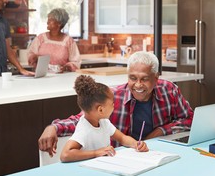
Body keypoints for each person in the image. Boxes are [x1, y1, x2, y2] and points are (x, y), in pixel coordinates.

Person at [39, 51, 194, 157]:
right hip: (121, 160)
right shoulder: (113, 97)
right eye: (133, 78)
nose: (138, 85)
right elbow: (83, 119)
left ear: (156, 77)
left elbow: (189, 119)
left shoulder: (169, 90)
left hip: (156, 154)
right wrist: (53, 127)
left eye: (144, 79)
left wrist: (160, 131)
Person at [60, 75, 148, 162]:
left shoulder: (104, 122)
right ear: (100, 109)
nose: (114, 105)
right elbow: (65, 155)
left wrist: (136, 144)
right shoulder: (84, 129)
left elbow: (122, 138)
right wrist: (95, 153)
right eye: (112, 103)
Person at [27, 8, 81, 73]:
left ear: (59, 23)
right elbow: (30, 55)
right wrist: (34, 58)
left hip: (62, 78)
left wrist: (66, 67)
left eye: (51, 20)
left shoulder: (69, 41)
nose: (47, 22)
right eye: (48, 19)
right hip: (41, 76)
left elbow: (76, 62)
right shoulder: (40, 38)